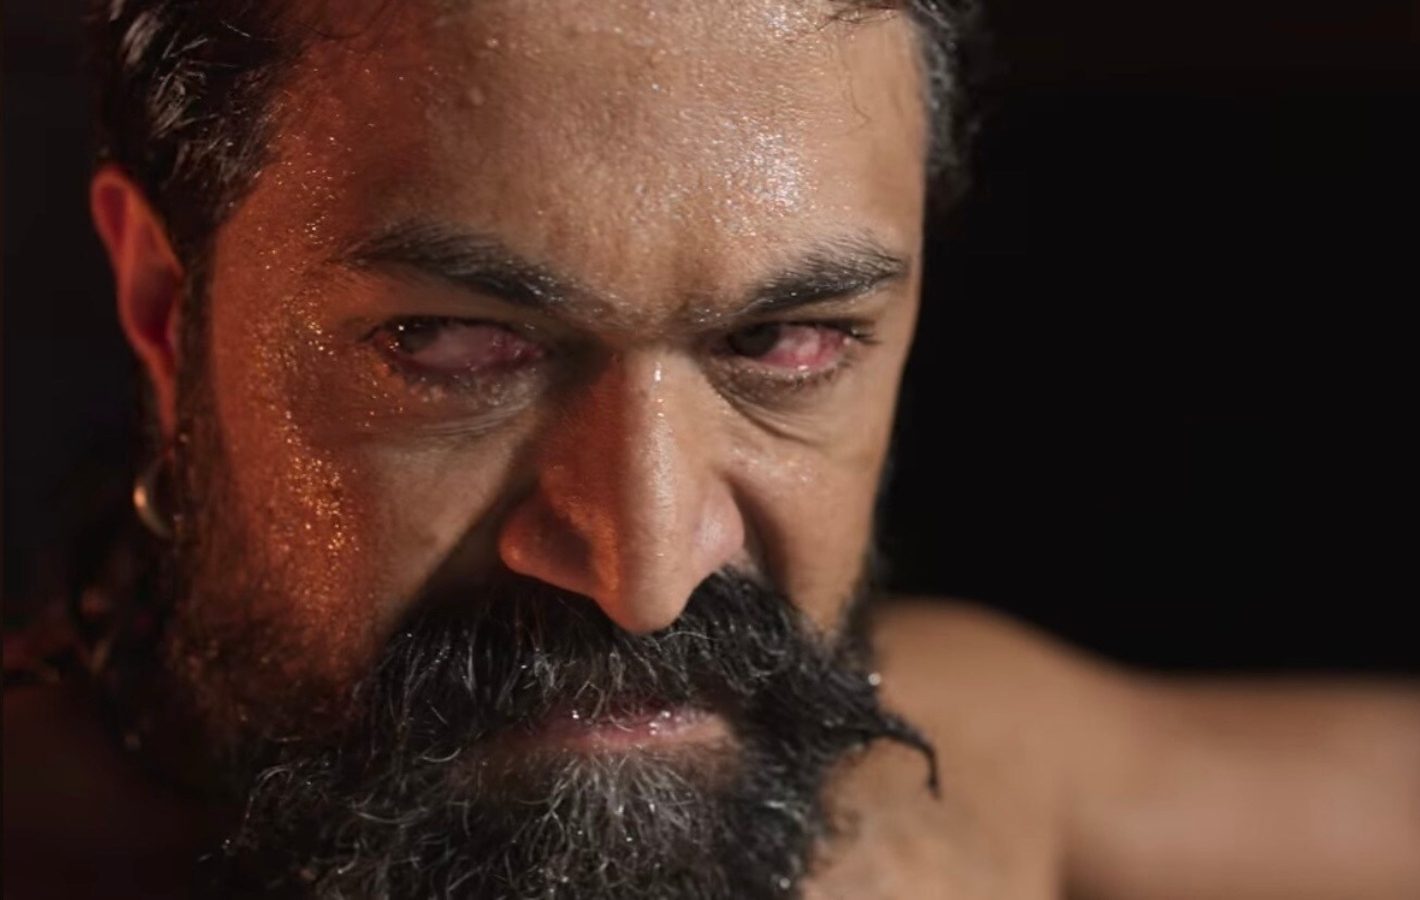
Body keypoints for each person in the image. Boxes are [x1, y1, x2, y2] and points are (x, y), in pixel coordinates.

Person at [4, 0, 1418, 897]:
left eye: (785, 342)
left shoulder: (967, 787)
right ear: (166, 306)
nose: (645, 572)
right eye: (454, 344)